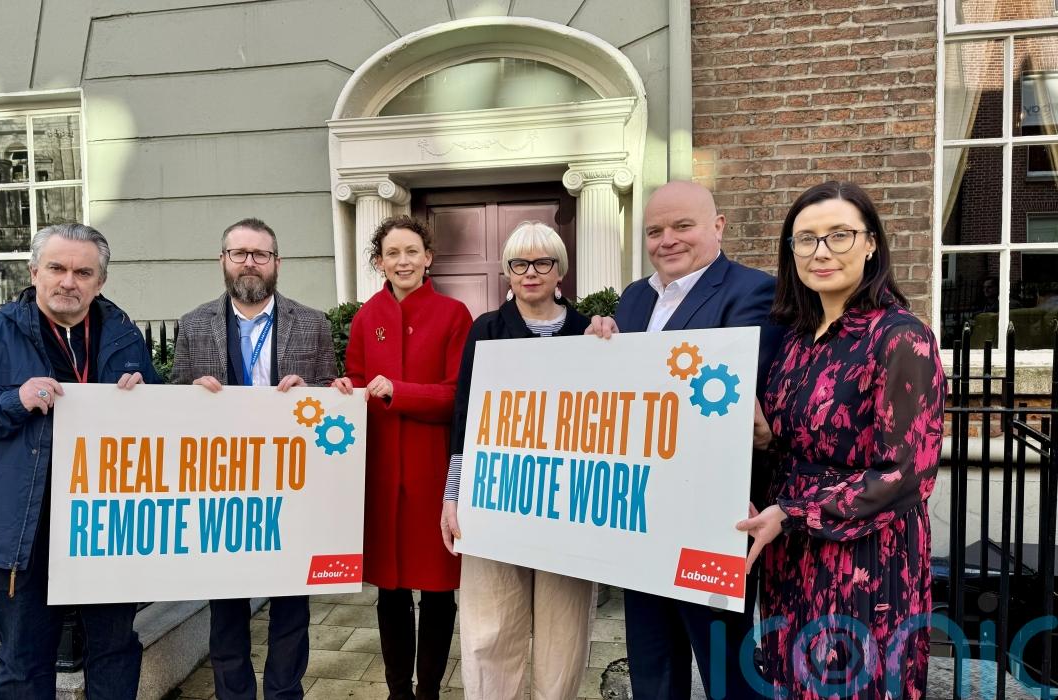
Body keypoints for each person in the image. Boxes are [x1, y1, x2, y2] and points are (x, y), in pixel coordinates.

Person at [0, 223, 160, 698]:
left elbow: (156, 419)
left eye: (83, 272)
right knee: (24, 661)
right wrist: (13, 400)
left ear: (100, 282)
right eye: (56, 268)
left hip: (105, 524)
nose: (68, 281)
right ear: (34, 273)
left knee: (115, 651)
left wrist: (146, 394)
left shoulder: (125, 337)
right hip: (23, 530)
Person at [736, 181, 944, 699]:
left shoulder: (900, 337)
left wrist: (793, 512)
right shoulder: (796, 341)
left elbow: (905, 475)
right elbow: (800, 444)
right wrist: (766, 442)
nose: (821, 251)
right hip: (789, 553)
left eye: (839, 235)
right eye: (806, 239)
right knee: (790, 681)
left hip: (864, 558)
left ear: (871, 243)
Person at [585, 181, 782, 700]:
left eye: (682, 226)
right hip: (641, 517)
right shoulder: (634, 298)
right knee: (651, 663)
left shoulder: (754, 291)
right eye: (655, 230)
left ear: (718, 227)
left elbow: (734, 394)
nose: (667, 239)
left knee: (725, 668)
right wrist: (597, 353)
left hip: (710, 519)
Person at [170, 218, 336, 700]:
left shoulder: (313, 323)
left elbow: (331, 401)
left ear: (277, 263)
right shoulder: (194, 324)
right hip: (222, 486)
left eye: (260, 254)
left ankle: (285, 693)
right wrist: (191, 395)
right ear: (223, 260)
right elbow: (175, 405)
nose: (249, 262)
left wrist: (314, 393)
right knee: (226, 608)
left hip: (291, 485)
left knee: (291, 606)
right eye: (239, 253)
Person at [441, 221, 593, 700]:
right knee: (491, 626)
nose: (531, 272)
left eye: (543, 262)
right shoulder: (486, 329)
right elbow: (465, 413)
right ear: (507, 272)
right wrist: (453, 495)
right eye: (519, 263)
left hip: (569, 501)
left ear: (559, 270)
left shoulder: (589, 331)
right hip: (496, 493)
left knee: (564, 629)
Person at [331, 215, 472, 700]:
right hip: (382, 472)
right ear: (379, 262)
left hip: (434, 474)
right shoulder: (365, 317)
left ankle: (428, 690)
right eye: (392, 253)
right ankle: (397, 692)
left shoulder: (454, 314)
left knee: (438, 591)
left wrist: (399, 391)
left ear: (428, 258)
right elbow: (356, 381)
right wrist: (344, 389)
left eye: (412, 251)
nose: (403, 261)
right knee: (389, 592)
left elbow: (457, 396)